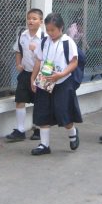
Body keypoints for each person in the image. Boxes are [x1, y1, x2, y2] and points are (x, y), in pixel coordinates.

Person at [29, 12, 82, 156]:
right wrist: (33, 78)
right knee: (42, 111)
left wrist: (62, 74)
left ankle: (72, 133)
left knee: (63, 111)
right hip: (45, 78)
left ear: (61, 28)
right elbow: (39, 60)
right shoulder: (44, 42)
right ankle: (44, 145)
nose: (50, 33)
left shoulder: (67, 42)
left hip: (62, 81)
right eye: (48, 29)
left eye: (53, 30)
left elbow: (74, 62)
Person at [6, 8, 44, 142]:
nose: (31, 21)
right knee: (20, 99)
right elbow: (18, 51)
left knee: (40, 102)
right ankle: (20, 130)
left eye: (34, 19)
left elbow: (49, 58)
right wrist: (18, 64)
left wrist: (37, 50)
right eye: (29, 18)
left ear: (41, 21)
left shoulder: (45, 38)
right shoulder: (23, 35)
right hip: (26, 72)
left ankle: (38, 129)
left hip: (41, 75)